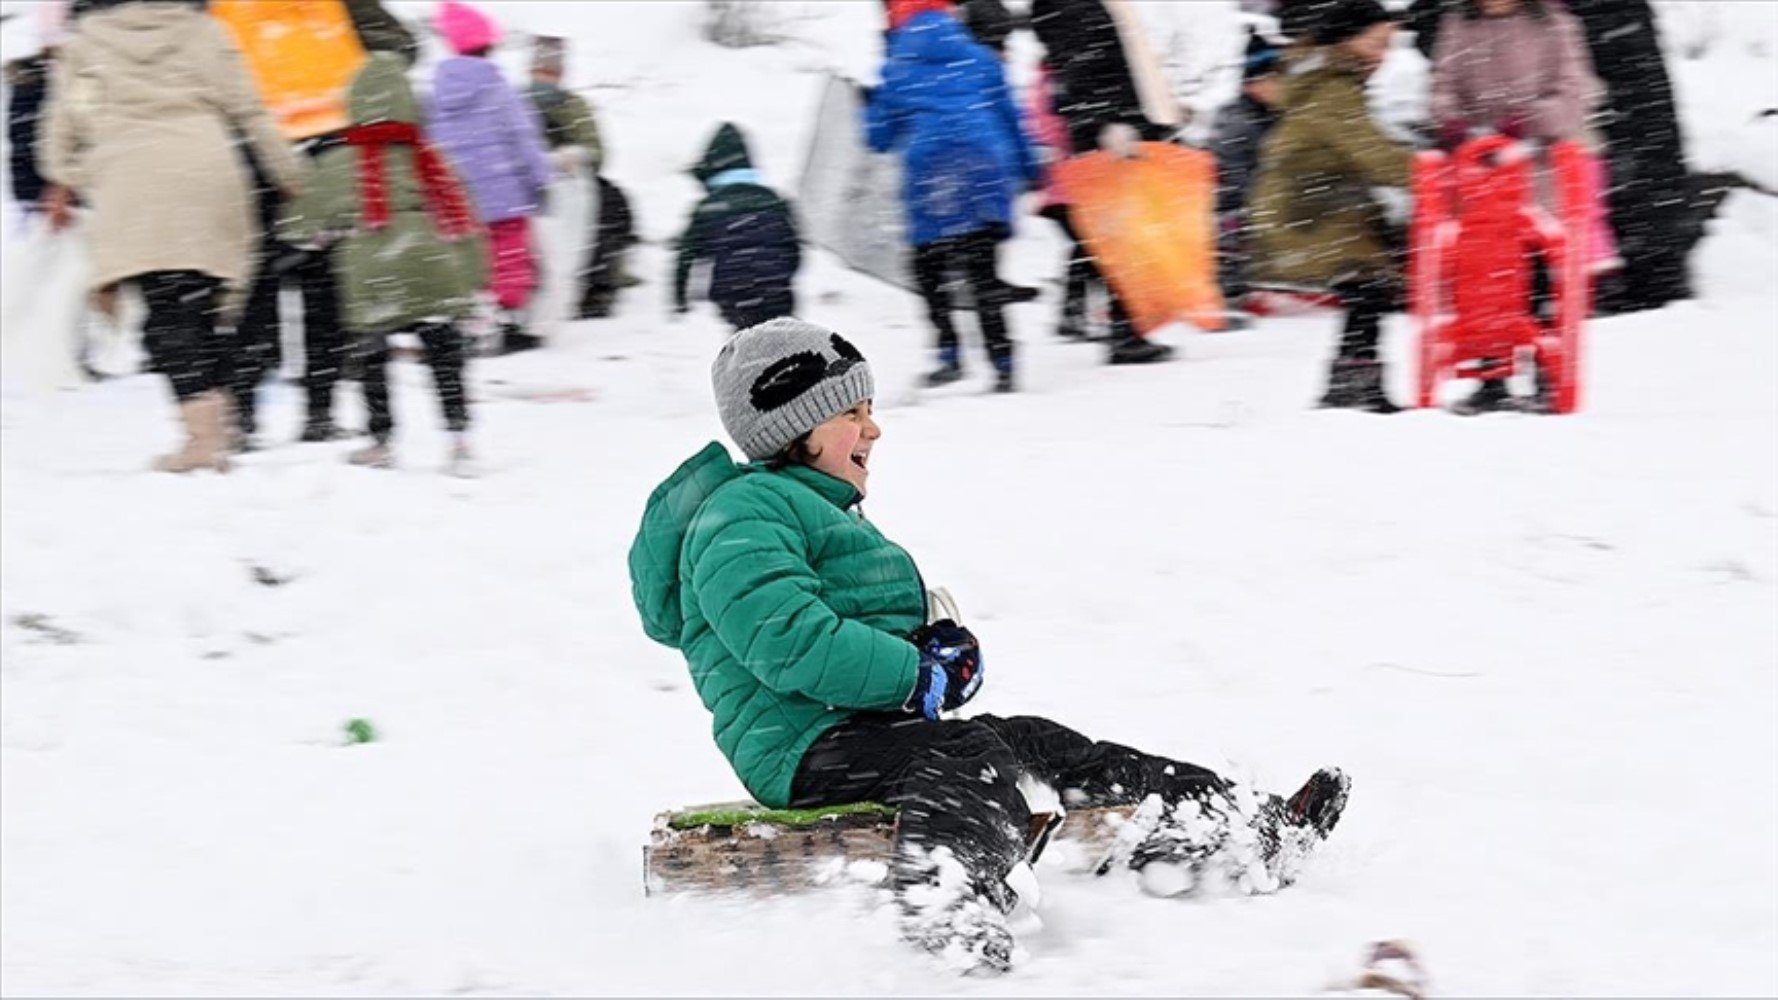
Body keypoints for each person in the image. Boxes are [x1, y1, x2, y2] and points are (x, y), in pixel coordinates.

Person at [627, 316, 1351, 973]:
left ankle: (1225, 824)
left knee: (1035, 743)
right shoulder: (740, 516)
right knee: (969, 758)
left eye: (870, 408)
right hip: (803, 747)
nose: (873, 430)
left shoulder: (805, 508)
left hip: (861, 726)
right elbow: (786, 641)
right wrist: (916, 675)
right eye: (851, 412)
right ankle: (946, 900)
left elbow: (846, 619)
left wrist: (936, 644)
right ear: (796, 425)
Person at [40, 0, 305, 472]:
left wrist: (66, 173)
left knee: (167, 312)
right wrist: (291, 175)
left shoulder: (85, 45)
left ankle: (201, 437)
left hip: (132, 182)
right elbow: (248, 109)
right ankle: (219, 426)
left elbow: (66, 123)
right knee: (204, 305)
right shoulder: (205, 30)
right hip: (208, 170)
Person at [211, 0, 418, 447]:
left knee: (258, 281)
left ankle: (242, 416)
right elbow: (401, 45)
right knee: (326, 282)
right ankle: (318, 412)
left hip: (255, 145)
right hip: (334, 142)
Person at [279, 54, 489, 476]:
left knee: (372, 359)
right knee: (445, 355)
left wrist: (317, 235)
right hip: (431, 265)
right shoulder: (432, 157)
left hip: (372, 271)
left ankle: (381, 440)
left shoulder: (337, 162)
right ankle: (460, 440)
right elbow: (466, 220)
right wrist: (473, 281)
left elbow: (298, 222)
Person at [1428, 0, 1595, 413]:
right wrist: (1455, 124)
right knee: (1483, 280)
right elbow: (1442, 85)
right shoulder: (1459, 24)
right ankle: (1491, 372)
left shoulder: (1555, 25)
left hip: (1533, 171)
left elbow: (1573, 93)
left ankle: (1544, 372)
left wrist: (1526, 124)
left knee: (1534, 274)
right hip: (1475, 172)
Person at [1248, 0, 1413, 413]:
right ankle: (1354, 384)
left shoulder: (1324, 75)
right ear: (1347, 40)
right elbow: (1371, 151)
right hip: (1310, 205)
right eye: (1376, 43)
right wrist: (1432, 172)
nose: (1383, 55)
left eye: (1389, 45)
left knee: (1370, 284)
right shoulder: (1332, 87)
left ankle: (1351, 380)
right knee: (1370, 283)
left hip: (1314, 197)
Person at [865, 0, 1038, 393]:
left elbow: (878, 138)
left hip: (932, 174)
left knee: (928, 269)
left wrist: (872, 103)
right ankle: (1003, 360)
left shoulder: (897, 67)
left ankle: (948, 353)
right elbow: (1012, 119)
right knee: (982, 271)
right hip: (984, 167)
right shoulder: (979, 57)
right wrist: (1032, 169)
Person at [1029, 0, 1177, 364]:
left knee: (1120, 233)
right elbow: (1083, 65)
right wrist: (1106, 122)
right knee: (1121, 233)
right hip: (1108, 133)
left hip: (1114, 125)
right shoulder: (1069, 6)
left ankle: (1126, 325)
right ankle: (1126, 330)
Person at [426, 0, 551, 354]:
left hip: (455, 196)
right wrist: (540, 178)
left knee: (465, 257)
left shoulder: (435, 92)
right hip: (504, 193)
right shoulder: (499, 89)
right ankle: (507, 322)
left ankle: (468, 320)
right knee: (510, 255)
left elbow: (429, 143)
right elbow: (524, 137)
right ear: (488, 44)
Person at [671, 123, 800, 331]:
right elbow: (794, 249)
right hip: (777, 290)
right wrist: (782, 276)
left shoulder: (708, 208)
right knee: (785, 342)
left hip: (734, 292)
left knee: (746, 343)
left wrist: (679, 299)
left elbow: (685, 257)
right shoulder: (774, 200)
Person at [1210, 30, 1284, 306]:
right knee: (1235, 221)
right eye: (1275, 79)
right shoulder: (1238, 123)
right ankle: (1227, 287)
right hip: (1231, 209)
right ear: (1252, 84)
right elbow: (1235, 183)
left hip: (1254, 201)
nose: (1282, 86)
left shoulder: (1267, 115)